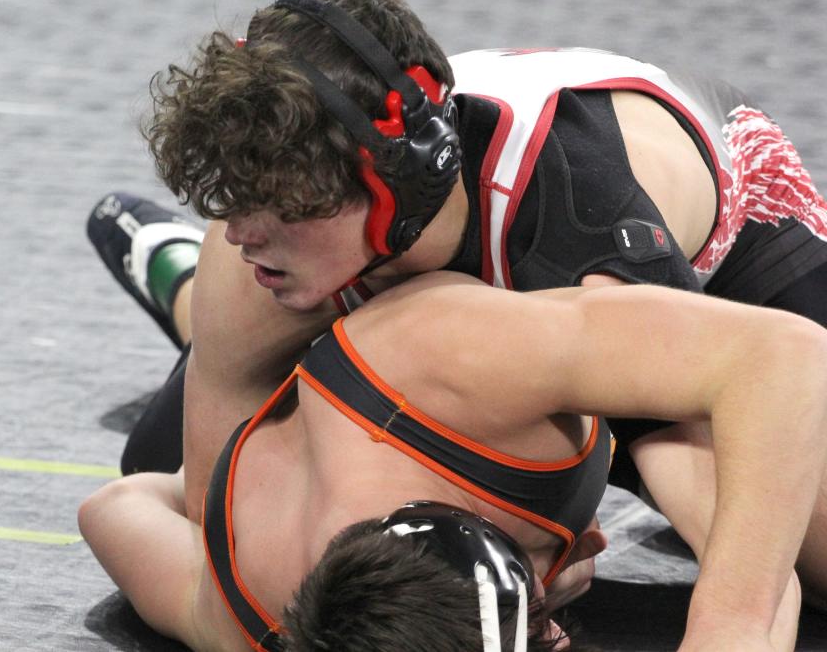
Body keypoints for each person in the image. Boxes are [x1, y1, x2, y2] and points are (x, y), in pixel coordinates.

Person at [82, 0, 827, 639]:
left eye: (275, 209)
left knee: (785, 538)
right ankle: (184, 297)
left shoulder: (579, 229)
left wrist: (722, 616)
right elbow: (220, 556)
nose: (243, 234)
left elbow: (776, 377)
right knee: (166, 463)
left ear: (393, 181)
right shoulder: (252, 250)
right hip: (499, 333)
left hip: (725, 259)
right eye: (233, 206)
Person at [79, 269, 827, 651]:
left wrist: (727, 624)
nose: (564, 641)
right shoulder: (240, 613)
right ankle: (201, 316)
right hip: (274, 426)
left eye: (546, 635)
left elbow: (779, 364)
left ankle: (193, 296)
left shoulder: (451, 363)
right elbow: (112, 508)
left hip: (488, 295)